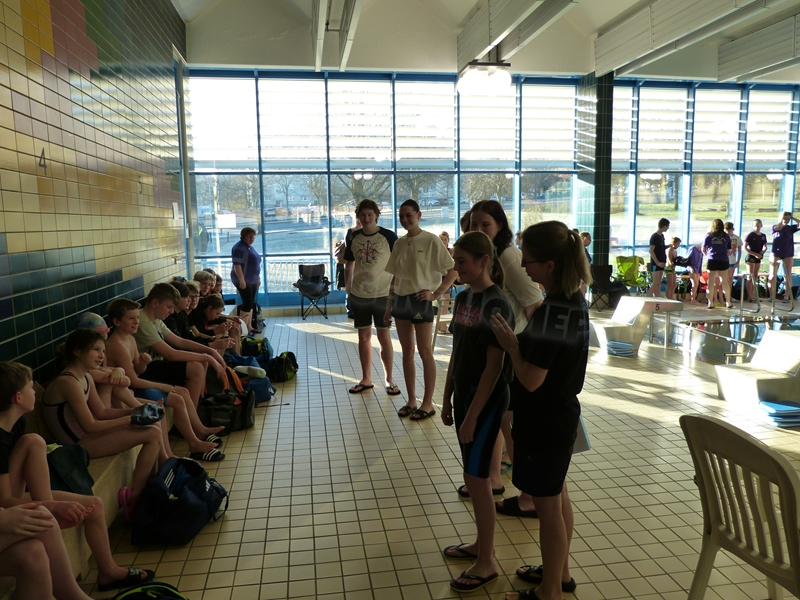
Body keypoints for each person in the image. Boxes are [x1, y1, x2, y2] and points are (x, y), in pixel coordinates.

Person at [490, 221, 590, 600]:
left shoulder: (552, 312)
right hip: (561, 414)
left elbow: (531, 379)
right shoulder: (573, 300)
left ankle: (550, 592)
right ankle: (559, 574)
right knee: (558, 497)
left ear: (549, 265)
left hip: (544, 420)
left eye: (528, 260)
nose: (522, 266)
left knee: (548, 509)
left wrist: (511, 346)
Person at [0, 361, 156, 592]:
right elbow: (5, 501)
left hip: (15, 496)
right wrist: (51, 507)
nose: (35, 392)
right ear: (18, 398)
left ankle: (108, 572)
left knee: (94, 504)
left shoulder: (17, 424)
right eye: (31, 387)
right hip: (6, 506)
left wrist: (47, 503)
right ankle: (73, 594)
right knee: (45, 517)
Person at [440, 231, 514, 593]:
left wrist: (472, 416)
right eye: (455, 261)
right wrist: (446, 396)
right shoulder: (464, 297)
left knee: (477, 478)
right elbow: (457, 351)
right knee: (473, 477)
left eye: (462, 261)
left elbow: (494, 366)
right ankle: (481, 545)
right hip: (465, 394)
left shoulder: (497, 303)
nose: (456, 268)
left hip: (486, 399)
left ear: (484, 261)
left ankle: (487, 561)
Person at [462, 200, 543, 499]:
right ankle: (494, 478)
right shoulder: (486, 255)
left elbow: (534, 302)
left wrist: (529, 350)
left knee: (509, 422)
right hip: (495, 345)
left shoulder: (508, 255)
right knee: (500, 420)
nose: (479, 229)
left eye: (486, 224)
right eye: (474, 224)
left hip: (511, 347)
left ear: (500, 226)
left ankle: (529, 494)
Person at [40, 330, 162, 519]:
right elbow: (90, 425)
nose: (101, 356)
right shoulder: (68, 382)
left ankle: (150, 487)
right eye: (96, 350)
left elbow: (102, 412)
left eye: (103, 351)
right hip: (76, 446)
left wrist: (135, 410)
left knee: (152, 429)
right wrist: (131, 419)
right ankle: (135, 499)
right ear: (77, 351)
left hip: (88, 438)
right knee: (152, 434)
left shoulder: (86, 377)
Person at [105, 298, 225, 462]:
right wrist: (162, 386)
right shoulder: (117, 345)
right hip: (127, 392)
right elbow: (133, 380)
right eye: (131, 318)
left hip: (133, 387)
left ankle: (198, 433)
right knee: (176, 398)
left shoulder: (130, 339)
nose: (137, 322)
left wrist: (142, 363)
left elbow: (138, 371)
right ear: (117, 322)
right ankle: (181, 450)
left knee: (182, 392)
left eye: (137, 317)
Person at [384, 200, 457, 421]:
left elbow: (453, 270)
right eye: (401, 216)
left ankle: (428, 402)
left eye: (409, 215)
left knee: (425, 352)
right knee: (407, 352)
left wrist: (436, 293)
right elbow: (394, 278)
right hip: (401, 300)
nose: (405, 219)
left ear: (419, 215)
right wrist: (388, 307)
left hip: (420, 300)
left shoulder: (431, 240)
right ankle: (411, 400)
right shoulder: (399, 243)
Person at [132, 283, 227, 406]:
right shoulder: (143, 322)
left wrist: (210, 351)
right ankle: (193, 410)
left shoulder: (156, 320)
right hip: (144, 368)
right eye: (169, 307)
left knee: (201, 361)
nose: (172, 311)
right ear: (155, 303)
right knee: (196, 368)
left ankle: (199, 403)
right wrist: (208, 357)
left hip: (155, 364)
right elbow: (170, 354)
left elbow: (179, 341)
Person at [344, 199, 400, 396]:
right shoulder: (353, 236)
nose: (366, 218)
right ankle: (366, 378)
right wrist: (348, 289)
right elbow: (349, 264)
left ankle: (389, 379)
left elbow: (398, 265)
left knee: (384, 337)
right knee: (363, 337)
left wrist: (395, 292)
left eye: (370, 215)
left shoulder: (389, 236)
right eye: (363, 215)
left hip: (383, 294)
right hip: (360, 294)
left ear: (376, 215)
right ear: (358, 216)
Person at [231, 227, 261, 329]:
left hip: (252, 279)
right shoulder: (239, 247)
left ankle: (249, 326)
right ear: (244, 236)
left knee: (251, 303)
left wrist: (258, 278)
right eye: (249, 236)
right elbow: (237, 265)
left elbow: (255, 263)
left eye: (253, 236)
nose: (252, 238)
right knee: (247, 303)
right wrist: (241, 279)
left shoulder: (249, 247)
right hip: (244, 279)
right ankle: (242, 329)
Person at [769, 212, 798, 303]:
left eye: (788, 219)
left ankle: (786, 296)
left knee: (787, 275)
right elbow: (778, 228)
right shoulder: (775, 227)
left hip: (788, 253)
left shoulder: (791, 228)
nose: (786, 220)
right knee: (772, 275)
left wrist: (792, 217)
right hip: (776, 253)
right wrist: (782, 219)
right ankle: (771, 296)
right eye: (785, 218)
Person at [704, 219, 732, 309]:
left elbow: (703, 249)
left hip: (712, 259)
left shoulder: (709, 236)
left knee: (711, 282)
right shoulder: (726, 236)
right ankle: (728, 302)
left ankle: (710, 303)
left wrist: (708, 255)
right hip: (723, 259)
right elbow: (729, 250)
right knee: (724, 282)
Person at [437, 231, 455, 334]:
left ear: (448, 241)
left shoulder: (449, 251)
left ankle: (441, 326)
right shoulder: (439, 252)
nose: (443, 241)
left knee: (444, 303)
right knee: (445, 302)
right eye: (442, 239)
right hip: (442, 280)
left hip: (447, 279)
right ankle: (442, 326)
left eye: (445, 239)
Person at [744, 219, 767, 302]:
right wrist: (754, 254)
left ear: (761, 225)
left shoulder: (763, 235)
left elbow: (765, 246)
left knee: (755, 276)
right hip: (751, 256)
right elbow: (745, 247)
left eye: (758, 225)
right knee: (750, 276)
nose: (757, 227)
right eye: (755, 226)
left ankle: (753, 295)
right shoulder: (750, 235)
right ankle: (749, 296)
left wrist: (763, 251)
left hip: (758, 257)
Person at [647, 218, 670, 297]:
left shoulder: (662, 236)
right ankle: (648, 297)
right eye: (667, 226)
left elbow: (661, 248)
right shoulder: (655, 237)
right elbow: (651, 250)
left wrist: (669, 246)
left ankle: (657, 299)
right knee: (656, 282)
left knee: (658, 283)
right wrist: (657, 262)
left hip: (661, 262)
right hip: (655, 263)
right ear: (664, 226)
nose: (668, 228)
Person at [726, 222, 742, 295]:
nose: (728, 233)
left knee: (730, 278)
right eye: (726, 231)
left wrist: (738, 261)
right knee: (724, 279)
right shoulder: (724, 238)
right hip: (724, 261)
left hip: (732, 261)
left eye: (729, 231)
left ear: (733, 229)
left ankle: (729, 296)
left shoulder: (737, 238)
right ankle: (725, 295)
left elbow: (739, 250)